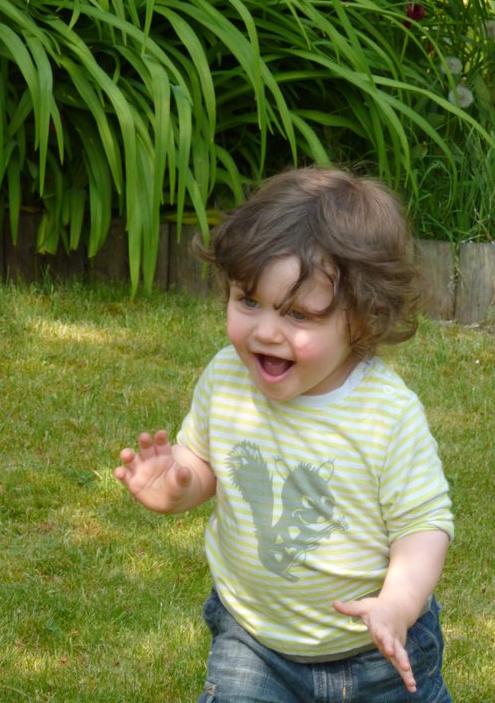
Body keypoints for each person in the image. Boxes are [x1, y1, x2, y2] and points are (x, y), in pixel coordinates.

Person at [115, 166, 454, 702]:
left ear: (361, 318)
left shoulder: (386, 415)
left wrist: (398, 604)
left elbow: (423, 527)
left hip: (376, 650)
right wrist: (178, 483)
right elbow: (204, 461)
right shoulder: (227, 378)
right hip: (254, 640)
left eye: (297, 314)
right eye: (248, 301)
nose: (266, 331)